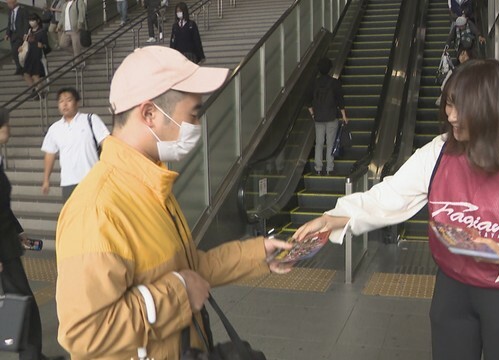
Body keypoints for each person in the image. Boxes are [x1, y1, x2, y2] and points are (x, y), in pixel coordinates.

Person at [293, 59, 499, 360]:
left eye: (458, 107)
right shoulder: (439, 152)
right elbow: (391, 195)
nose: (450, 115)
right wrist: (334, 218)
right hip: (453, 291)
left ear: (488, 108)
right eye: (448, 105)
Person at [54, 46, 294, 359]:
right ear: (150, 113)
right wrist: (178, 294)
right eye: (193, 114)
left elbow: (189, 269)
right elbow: (85, 333)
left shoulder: (151, 187)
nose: (197, 125)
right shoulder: (98, 209)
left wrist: (258, 254)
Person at [0, 109, 64, 360]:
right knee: (23, 301)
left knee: (21, 301)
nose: (10, 129)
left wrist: (17, 232)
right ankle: (30, 355)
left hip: (7, 242)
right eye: (7, 124)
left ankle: (31, 354)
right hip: (2, 250)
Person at [41, 87, 110, 202]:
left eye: (68, 100)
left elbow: (106, 143)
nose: (65, 104)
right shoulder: (54, 129)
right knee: (73, 218)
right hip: (68, 182)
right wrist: (46, 180)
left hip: (92, 179)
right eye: (61, 101)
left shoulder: (91, 119)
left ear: (77, 102)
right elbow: (50, 154)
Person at [307, 57, 348, 176]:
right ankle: (330, 168)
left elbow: (308, 101)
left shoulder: (314, 83)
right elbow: (340, 100)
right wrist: (344, 116)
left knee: (319, 143)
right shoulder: (334, 83)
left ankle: (318, 168)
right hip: (331, 117)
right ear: (330, 69)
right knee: (330, 143)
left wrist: (313, 114)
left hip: (318, 118)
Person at [21, 13, 50, 99]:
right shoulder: (29, 31)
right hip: (29, 55)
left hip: (38, 56)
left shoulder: (42, 31)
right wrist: (22, 45)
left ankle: (40, 92)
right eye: (30, 20)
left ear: (37, 21)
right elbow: (25, 43)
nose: (31, 22)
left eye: (33, 20)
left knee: (35, 75)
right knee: (26, 74)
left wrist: (42, 45)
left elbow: (47, 46)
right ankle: (35, 91)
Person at [56, 0, 87, 67]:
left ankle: (78, 63)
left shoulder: (78, 2)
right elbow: (62, 17)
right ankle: (79, 55)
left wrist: (80, 24)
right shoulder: (65, 4)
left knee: (76, 46)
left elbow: (82, 13)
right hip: (66, 29)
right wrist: (59, 25)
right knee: (62, 44)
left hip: (75, 29)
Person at [4, 0, 29, 75]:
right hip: (13, 35)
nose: (8, 5)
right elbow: (9, 23)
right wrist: (7, 34)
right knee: (14, 52)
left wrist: (25, 33)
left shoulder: (22, 10)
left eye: (9, 3)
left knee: (15, 51)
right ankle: (20, 67)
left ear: (15, 3)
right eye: (7, 4)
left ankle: (21, 68)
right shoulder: (10, 12)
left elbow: (25, 22)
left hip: (20, 35)